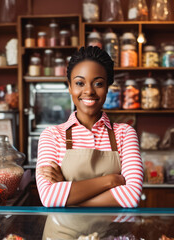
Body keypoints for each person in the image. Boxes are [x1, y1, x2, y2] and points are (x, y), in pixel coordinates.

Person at [36, 46, 143, 208]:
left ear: (107, 88)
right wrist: (111, 180)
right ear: (70, 87)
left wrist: (68, 195)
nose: (89, 91)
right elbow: (49, 197)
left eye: (98, 83)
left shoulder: (125, 133)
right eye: (80, 83)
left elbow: (132, 196)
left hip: (114, 232)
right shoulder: (52, 135)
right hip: (63, 233)